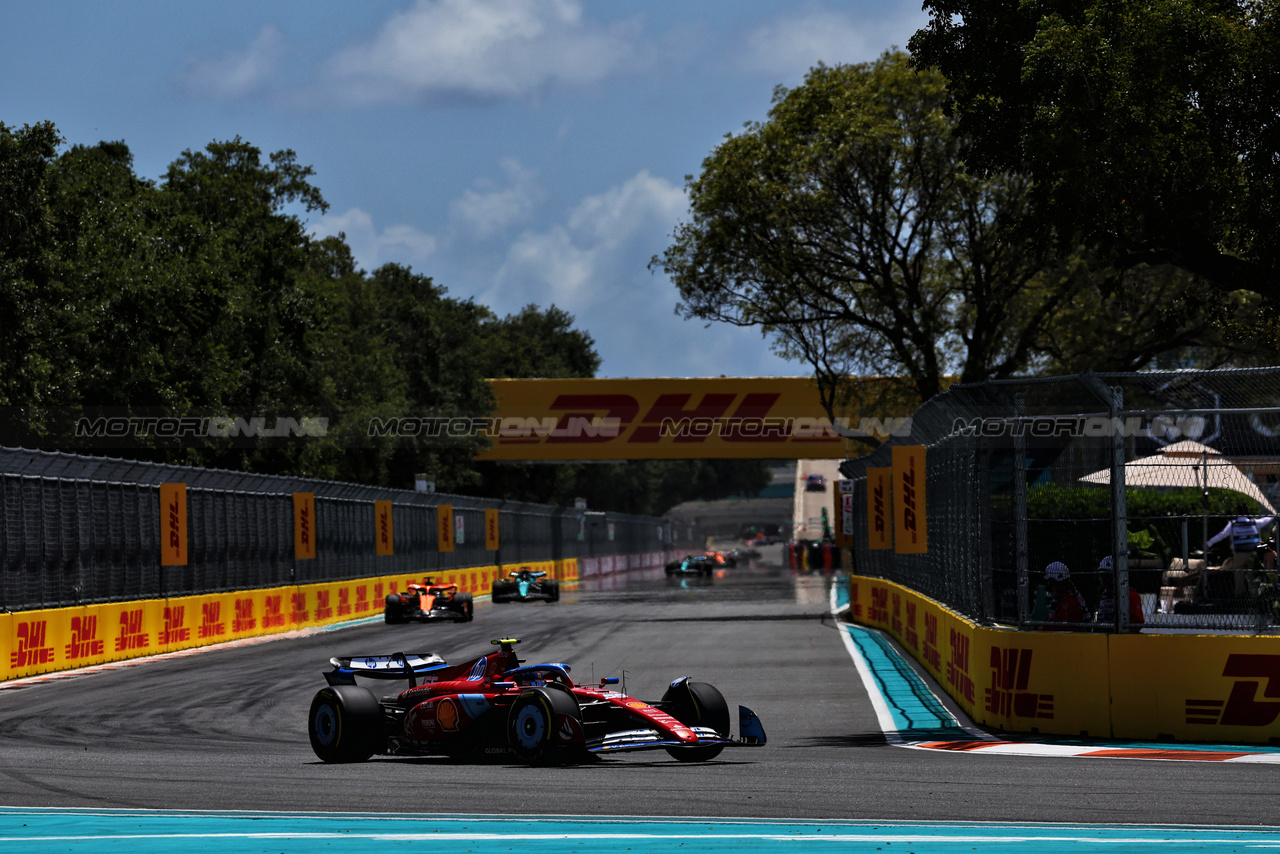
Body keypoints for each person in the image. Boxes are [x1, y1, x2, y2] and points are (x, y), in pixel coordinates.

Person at [1094, 555, 1144, 632]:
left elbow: (1137, 622)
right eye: (1102, 575)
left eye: (1107, 575)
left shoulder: (1131, 595)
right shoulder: (1105, 594)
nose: (1104, 579)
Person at [1042, 561, 1087, 629]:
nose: (1050, 586)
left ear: (1057, 582)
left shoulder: (1071, 598)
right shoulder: (1058, 599)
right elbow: (1048, 619)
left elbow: (1058, 623)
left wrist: (1044, 627)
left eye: (1051, 583)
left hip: (1073, 637)